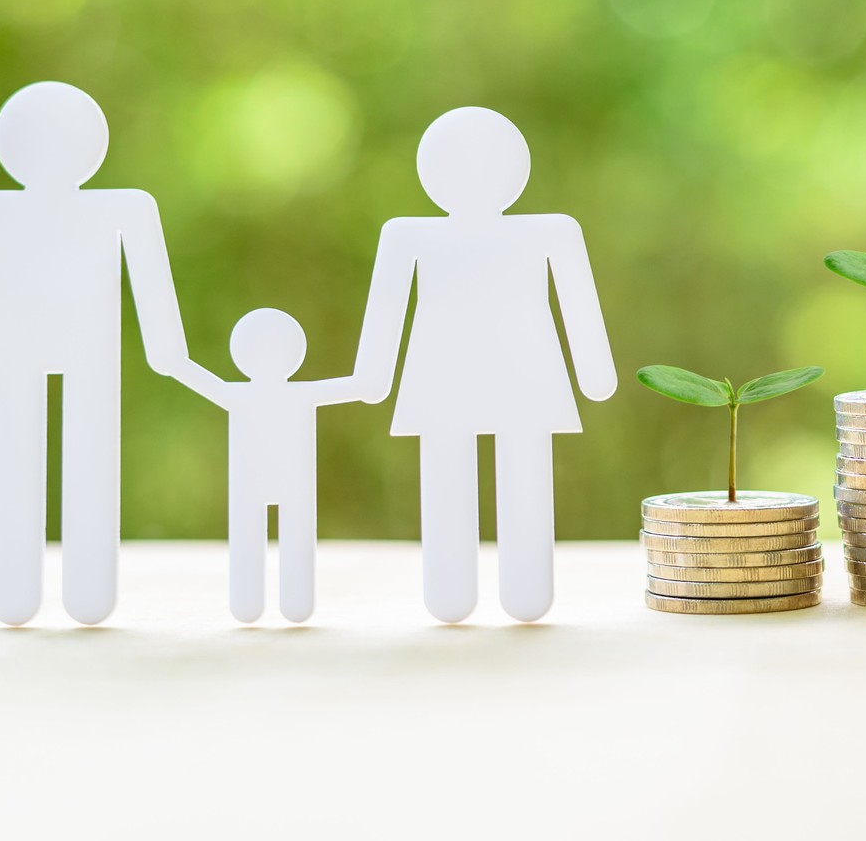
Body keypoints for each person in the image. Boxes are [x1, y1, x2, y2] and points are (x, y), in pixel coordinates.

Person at [349, 107, 617, 623]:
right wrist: (373, 376)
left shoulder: (550, 233)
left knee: (519, 472)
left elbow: (578, 305)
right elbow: (384, 314)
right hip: (455, 377)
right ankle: (453, 591)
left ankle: (522, 590)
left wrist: (595, 371)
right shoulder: (409, 236)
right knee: (455, 471)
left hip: (506, 377)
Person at [0, 82, 191, 625]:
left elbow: (151, 283)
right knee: (20, 456)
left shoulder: (123, 209)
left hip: (82, 352)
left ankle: (85, 587)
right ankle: (17, 588)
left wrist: (167, 348)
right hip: (28, 352)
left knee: (86, 458)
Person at [176, 308, 365, 624]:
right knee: (261, 534)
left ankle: (281, 603)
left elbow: (185, 371)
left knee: (281, 534)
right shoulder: (286, 394)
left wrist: (172, 361)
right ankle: (265, 604)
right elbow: (361, 386)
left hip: (275, 484)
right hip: (270, 484)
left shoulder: (240, 394)